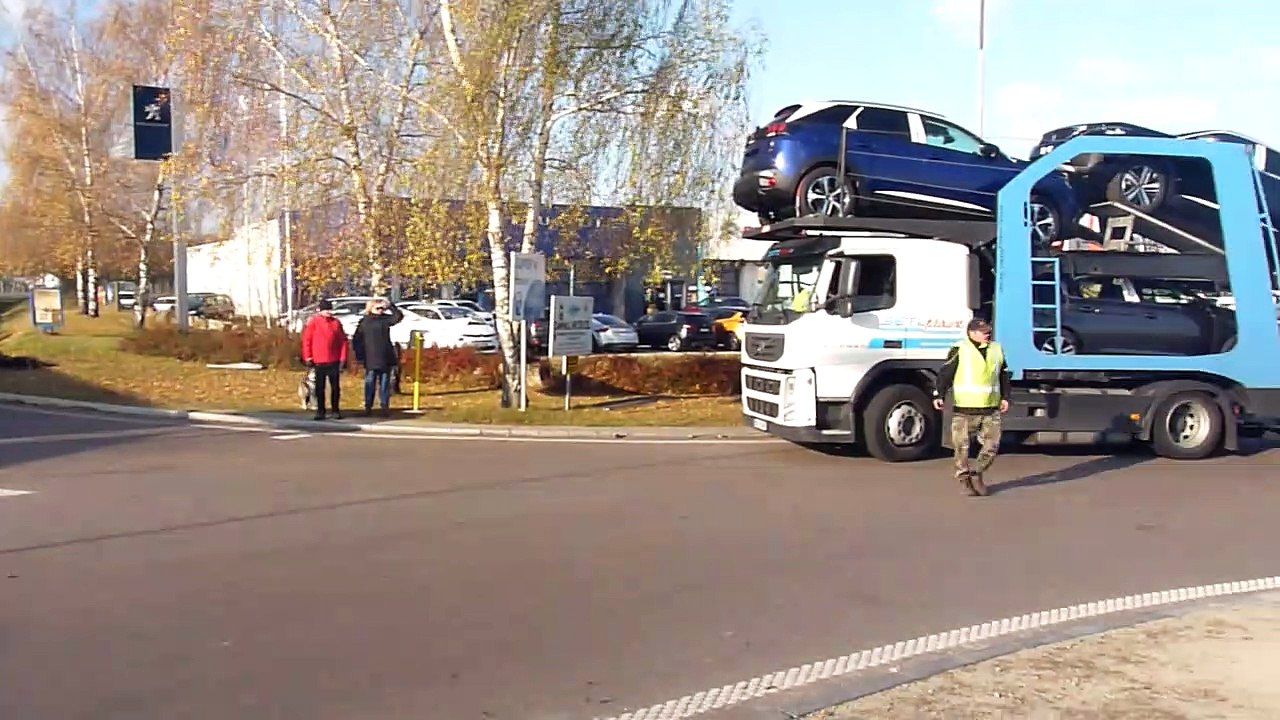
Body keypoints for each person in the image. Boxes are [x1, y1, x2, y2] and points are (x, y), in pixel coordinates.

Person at [932, 317, 1011, 497]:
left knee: (992, 446)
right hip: (964, 409)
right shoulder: (960, 349)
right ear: (971, 333)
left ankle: (977, 473)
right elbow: (945, 374)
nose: (987, 334)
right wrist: (939, 394)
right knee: (961, 448)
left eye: (988, 331)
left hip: (990, 408)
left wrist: (1006, 397)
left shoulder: (996, 349)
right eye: (983, 332)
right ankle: (964, 480)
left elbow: (1003, 375)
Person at [351, 297, 404, 417]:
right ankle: (368, 406)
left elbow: (398, 316)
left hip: (385, 357)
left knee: (384, 384)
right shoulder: (365, 322)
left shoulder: (385, 319)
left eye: (382, 308)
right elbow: (357, 340)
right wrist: (360, 356)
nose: (381, 310)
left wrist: (390, 305)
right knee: (370, 383)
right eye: (378, 308)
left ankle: (384, 406)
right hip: (370, 357)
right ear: (370, 308)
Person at [300, 298, 350, 420]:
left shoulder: (336, 323)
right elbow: (307, 340)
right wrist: (308, 357)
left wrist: (343, 358)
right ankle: (320, 410)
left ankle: (335, 410)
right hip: (318, 360)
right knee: (319, 387)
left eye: (330, 309)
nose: (328, 312)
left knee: (335, 387)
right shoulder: (314, 322)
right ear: (320, 311)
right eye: (326, 310)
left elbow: (343, 341)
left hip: (334, 360)